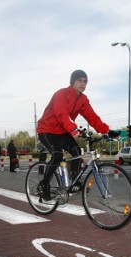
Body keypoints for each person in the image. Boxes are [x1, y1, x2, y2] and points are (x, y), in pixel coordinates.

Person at [36, 69, 118, 201]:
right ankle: (43, 185)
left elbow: (92, 117)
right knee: (57, 155)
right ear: (73, 81)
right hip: (47, 130)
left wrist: (107, 131)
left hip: (63, 131)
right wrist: (73, 129)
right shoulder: (61, 94)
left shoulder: (83, 100)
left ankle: (73, 182)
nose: (83, 83)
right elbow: (61, 113)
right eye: (79, 80)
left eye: (85, 81)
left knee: (77, 152)